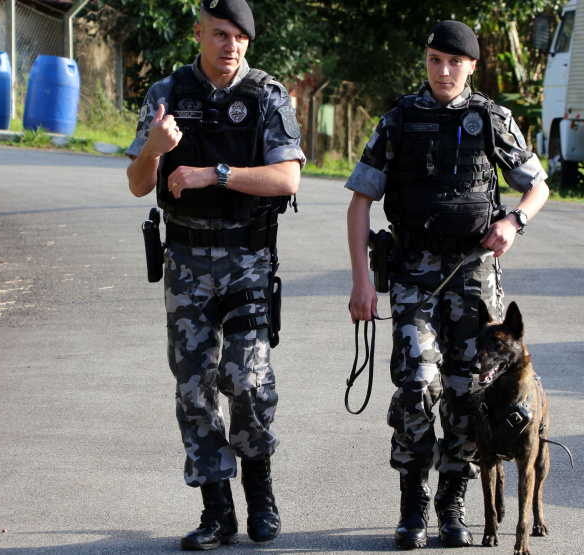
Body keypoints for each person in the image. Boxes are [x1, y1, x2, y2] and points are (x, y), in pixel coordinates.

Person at [345, 20, 550, 550]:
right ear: (427, 61)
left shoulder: (491, 118)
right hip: (413, 276)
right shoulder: (398, 120)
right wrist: (362, 281)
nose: (443, 71)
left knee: (468, 395)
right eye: (435, 60)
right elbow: (361, 202)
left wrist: (513, 222)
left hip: (475, 281)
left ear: (471, 67)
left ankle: (452, 502)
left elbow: (538, 185)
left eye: (454, 62)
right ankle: (412, 503)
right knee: (416, 385)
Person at [125, 0, 305, 550]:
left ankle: (262, 493)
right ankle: (216, 511)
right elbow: (137, 183)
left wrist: (215, 174)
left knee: (248, 380)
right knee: (194, 387)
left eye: (241, 39)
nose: (231, 47)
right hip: (185, 263)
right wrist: (155, 149)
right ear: (199, 32)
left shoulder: (268, 95)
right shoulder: (167, 95)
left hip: (248, 259)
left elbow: (287, 180)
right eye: (221, 35)